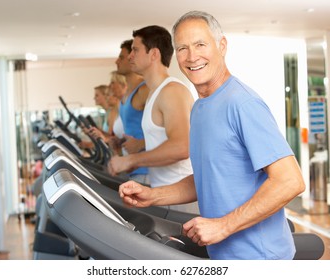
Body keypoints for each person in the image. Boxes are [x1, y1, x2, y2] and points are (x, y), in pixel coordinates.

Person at [118, 11, 305, 260]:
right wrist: (154, 195)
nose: (192, 56)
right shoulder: (200, 108)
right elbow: (209, 176)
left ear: (222, 46)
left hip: (260, 258)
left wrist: (223, 225)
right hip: (222, 254)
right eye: (182, 48)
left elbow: (290, 181)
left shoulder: (242, 103)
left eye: (200, 44)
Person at [109, 25, 198, 213]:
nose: (130, 56)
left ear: (154, 54)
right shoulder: (154, 93)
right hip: (165, 195)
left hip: (182, 199)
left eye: (135, 50)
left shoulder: (172, 91)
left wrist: (131, 160)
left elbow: (182, 147)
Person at [114, 39, 150, 184]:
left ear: (132, 58)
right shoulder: (126, 94)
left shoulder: (144, 90)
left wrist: (141, 143)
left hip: (147, 172)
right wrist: (119, 141)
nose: (117, 61)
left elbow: (167, 131)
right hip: (132, 169)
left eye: (121, 57)